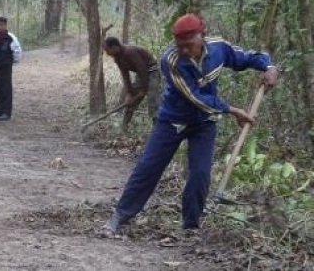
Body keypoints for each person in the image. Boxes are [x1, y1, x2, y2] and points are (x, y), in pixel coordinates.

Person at [102, 13, 279, 235]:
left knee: (200, 174)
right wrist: (232, 110)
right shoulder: (170, 60)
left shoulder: (219, 48)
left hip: (204, 123)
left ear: (201, 36)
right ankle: (121, 215)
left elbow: (245, 57)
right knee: (148, 167)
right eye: (180, 45)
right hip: (171, 121)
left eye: (189, 45)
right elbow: (194, 97)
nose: (185, 50)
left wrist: (269, 67)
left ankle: (190, 225)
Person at [102, 36, 161, 132]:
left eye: (107, 50)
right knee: (130, 102)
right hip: (141, 75)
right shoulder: (117, 59)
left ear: (114, 47)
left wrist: (143, 90)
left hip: (152, 71)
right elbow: (125, 76)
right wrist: (130, 92)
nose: (107, 53)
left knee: (152, 98)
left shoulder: (129, 52)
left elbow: (142, 69)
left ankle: (157, 129)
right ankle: (124, 128)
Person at [0, 16, 22, 121]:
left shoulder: (10, 37)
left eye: (1, 25)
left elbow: (17, 51)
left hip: (5, 67)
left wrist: (11, 62)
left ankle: (7, 113)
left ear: (5, 25)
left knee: (6, 89)